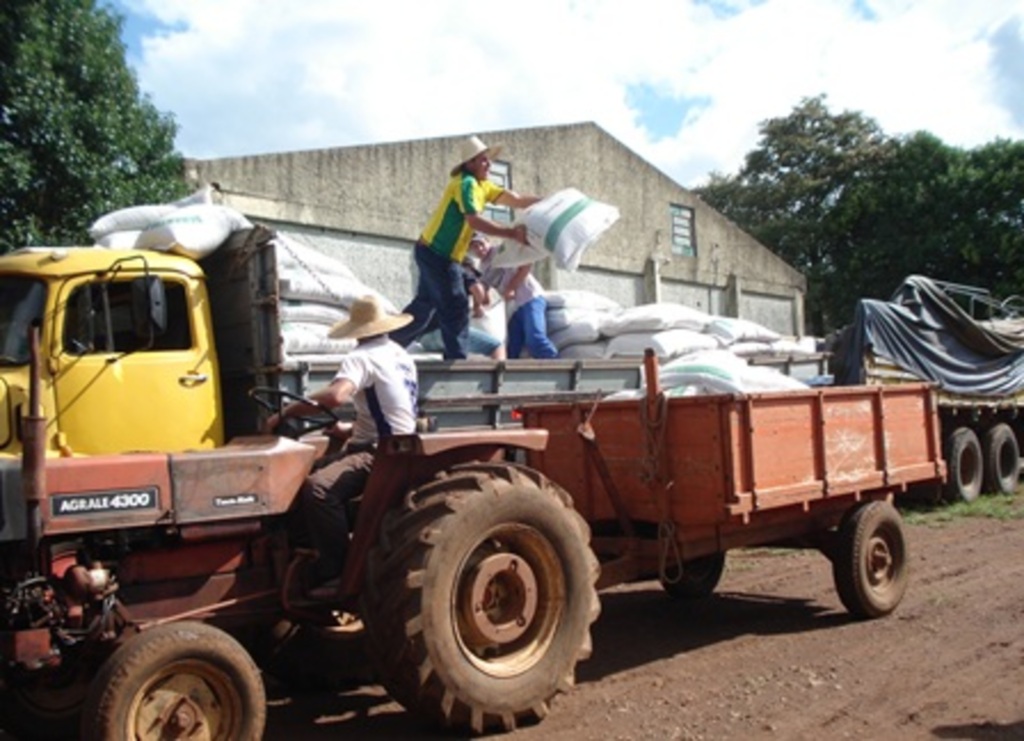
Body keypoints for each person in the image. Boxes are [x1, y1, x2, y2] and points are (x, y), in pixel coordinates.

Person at [262, 295, 418, 598]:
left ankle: (335, 570)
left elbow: (337, 397)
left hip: (379, 452)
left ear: (358, 331)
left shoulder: (362, 356)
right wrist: (346, 430)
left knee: (317, 488)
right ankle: (307, 550)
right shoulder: (399, 354)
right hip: (396, 444)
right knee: (307, 472)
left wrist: (285, 413)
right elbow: (389, 407)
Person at [390, 135, 541, 359]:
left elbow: (515, 200)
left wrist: (548, 201)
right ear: (469, 164)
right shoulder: (466, 184)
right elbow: (474, 220)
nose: (488, 164)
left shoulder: (482, 185)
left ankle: (386, 345)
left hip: (433, 252)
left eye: (488, 160)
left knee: (424, 307)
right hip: (438, 254)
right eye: (483, 160)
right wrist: (511, 233)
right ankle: (456, 361)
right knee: (457, 305)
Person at [472, 234, 559, 359]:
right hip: (514, 307)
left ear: (488, 242)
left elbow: (526, 265)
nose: (479, 248)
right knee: (511, 348)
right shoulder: (482, 267)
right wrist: (479, 306)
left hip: (530, 298)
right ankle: (509, 377)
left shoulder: (501, 251)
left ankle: (559, 368)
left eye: (481, 244)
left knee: (535, 340)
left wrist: (511, 287)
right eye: (475, 247)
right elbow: (484, 291)